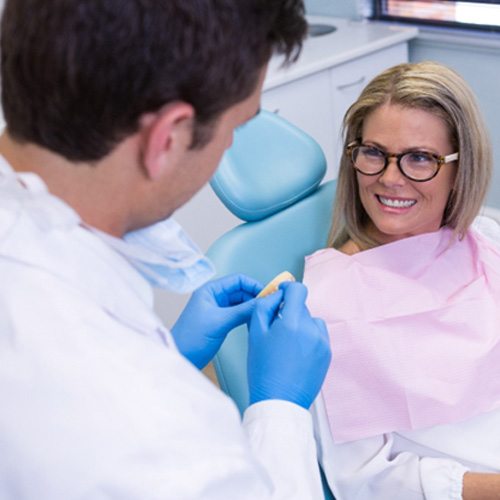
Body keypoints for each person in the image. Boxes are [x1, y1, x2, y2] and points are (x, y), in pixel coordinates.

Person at [0, 1, 332, 498]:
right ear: (170, 137)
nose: (228, 148)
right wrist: (280, 409)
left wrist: (175, 353)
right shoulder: (165, 439)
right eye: (237, 127)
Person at [302, 61, 500, 499]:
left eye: (419, 158)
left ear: (460, 167)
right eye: (373, 152)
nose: (390, 178)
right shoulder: (325, 309)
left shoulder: (483, 241)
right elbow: (367, 480)